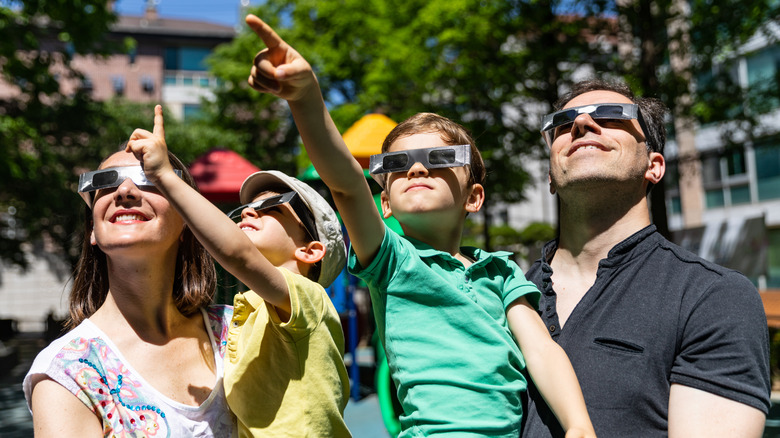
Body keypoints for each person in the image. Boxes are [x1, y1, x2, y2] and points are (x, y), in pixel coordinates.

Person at [243, 14, 595, 438]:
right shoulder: (392, 260)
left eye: (440, 159)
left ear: (474, 197)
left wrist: (578, 426)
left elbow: (540, 349)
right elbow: (348, 185)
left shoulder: (501, 272)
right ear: (385, 203)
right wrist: (305, 97)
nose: (415, 169)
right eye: (396, 164)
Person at [521, 78, 771, 437]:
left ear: (653, 166)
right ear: (550, 177)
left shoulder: (712, 297)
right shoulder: (497, 294)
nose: (581, 124)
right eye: (563, 123)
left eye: (611, 115)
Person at [125, 105, 351, 437]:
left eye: (270, 206)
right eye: (246, 207)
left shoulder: (309, 300)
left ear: (310, 250)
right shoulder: (248, 311)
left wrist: (164, 176)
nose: (248, 212)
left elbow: (237, 255)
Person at [23, 147, 234, 436]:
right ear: (93, 231)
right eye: (105, 182)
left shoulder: (235, 332)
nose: (125, 190)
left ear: (188, 219)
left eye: (149, 177)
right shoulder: (69, 371)